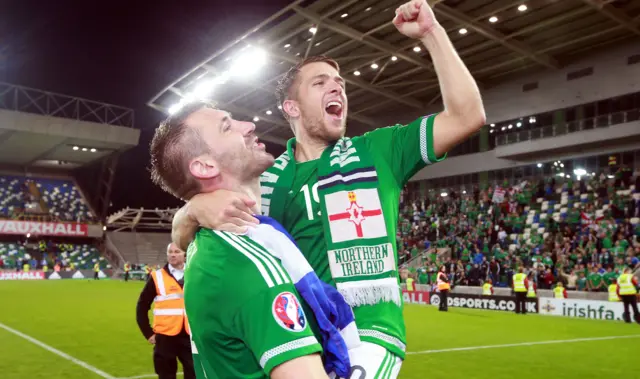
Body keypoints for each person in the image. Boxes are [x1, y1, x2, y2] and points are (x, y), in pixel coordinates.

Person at [171, 0, 485, 376]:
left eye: (339, 83)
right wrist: (192, 209)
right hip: (301, 331)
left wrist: (432, 34)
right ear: (291, 107)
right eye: (320, 83)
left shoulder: (380, 151)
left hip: (369, 336)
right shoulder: (267, 176)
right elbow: (192, 241)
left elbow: (468, 116)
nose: (336, 88)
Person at [149, 104, 360, 379]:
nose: (248, 125)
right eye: (227, 126)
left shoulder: (213, 243)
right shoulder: (246, 265)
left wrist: (190, 210)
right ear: (204, 166)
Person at [136, 243, 196, 379]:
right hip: (164, 337)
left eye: (177, 251)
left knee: (194, 373)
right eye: (170, 252)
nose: (173, 254)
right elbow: (142, 306)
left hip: (190, 335)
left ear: (185, 255)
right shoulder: (157, 277)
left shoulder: (195, 274)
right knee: (165, 375)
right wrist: (147, 333)